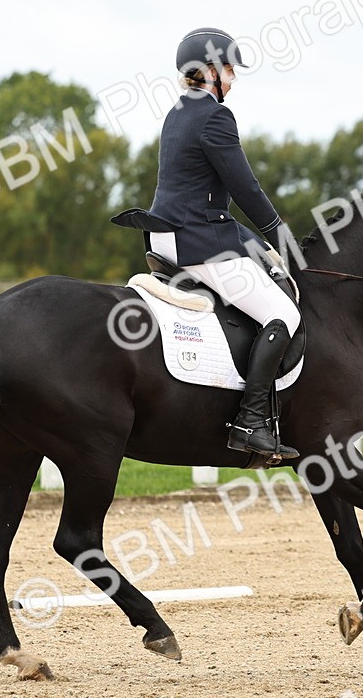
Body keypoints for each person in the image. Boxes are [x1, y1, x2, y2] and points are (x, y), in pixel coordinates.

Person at [111, 27, 300, 460]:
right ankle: (251, 421)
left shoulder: (178, 112)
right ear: (210, 71)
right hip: (198, 242)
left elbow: (210, 202)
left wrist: (257, 245)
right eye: (230, 69)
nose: (233, 78)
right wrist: (278, 233)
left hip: (171, 233)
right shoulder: (216, 116)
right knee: (282, 313)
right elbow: (245, 188)